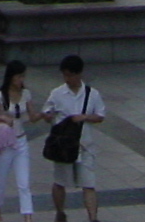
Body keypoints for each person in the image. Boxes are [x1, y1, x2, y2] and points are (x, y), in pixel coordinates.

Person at [42, 55, 104, 222]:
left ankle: (93, 218)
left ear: (79, 74)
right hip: (64, 146)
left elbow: (100, 116)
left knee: (89, 184)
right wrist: (49, 116)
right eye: (65, 75)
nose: (67, 79)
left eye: (70, 75)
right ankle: (60, 212)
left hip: (85, 146)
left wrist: (84, 117)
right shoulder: (57, 93)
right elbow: (47, 111)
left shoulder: (92, 94)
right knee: (60, 181)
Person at [0, 59, 35, 222]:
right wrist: (1, 118)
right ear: (11, 77)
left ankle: (27, 216)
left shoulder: (26, 94)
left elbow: (32, 115)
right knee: (0, 180)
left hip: (21, 141)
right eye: (19, 77)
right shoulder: (0, 96)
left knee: (24, 183)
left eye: (23, 77)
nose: (21, 80)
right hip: (5, 143)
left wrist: (45, 115)